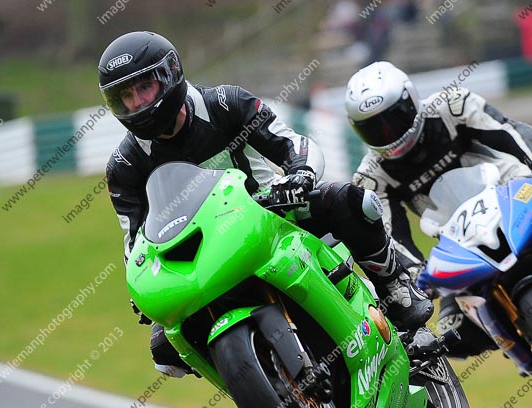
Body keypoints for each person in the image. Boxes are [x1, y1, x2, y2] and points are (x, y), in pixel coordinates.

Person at [99, 32, 432, 378]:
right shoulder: (125, 166)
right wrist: (143, 287)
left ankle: (394, 288)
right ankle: (252, 384)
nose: (137, 103)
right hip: (201, 256)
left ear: (170, 74)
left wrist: (300, 175)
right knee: (165, 350)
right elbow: (134, 241)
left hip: (274, 213)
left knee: (352, 201)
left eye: (144, 88)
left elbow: (292, 143)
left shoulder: (224, 103)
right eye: (126, 96)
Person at [344, 61, 532, 358]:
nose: (388, 134)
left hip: (517, 192)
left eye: (393, 119)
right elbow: (390, 235)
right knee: (451, 333)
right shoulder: (371, 177)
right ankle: (531, 346)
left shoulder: (452, 105)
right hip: (459, 239)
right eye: (374, 130)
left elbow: (507, 130)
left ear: (411, 101)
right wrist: (414, 272)